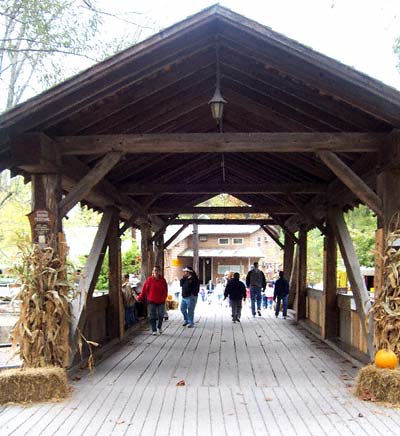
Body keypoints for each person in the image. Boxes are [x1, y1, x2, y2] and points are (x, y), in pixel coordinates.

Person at [137, 266, 168, 335]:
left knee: (161, 315)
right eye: (155, 270)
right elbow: (144, 290)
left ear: (159, 271)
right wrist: (139, 298)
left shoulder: (163, 280)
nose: (156, 272)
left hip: (161, 301)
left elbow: (165, 290)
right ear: (153, 272)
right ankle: (154, 330)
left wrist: (164, 298)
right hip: (152, 301)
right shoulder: (149, 280)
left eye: (157, 270)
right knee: (152, 315)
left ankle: (159, 327)